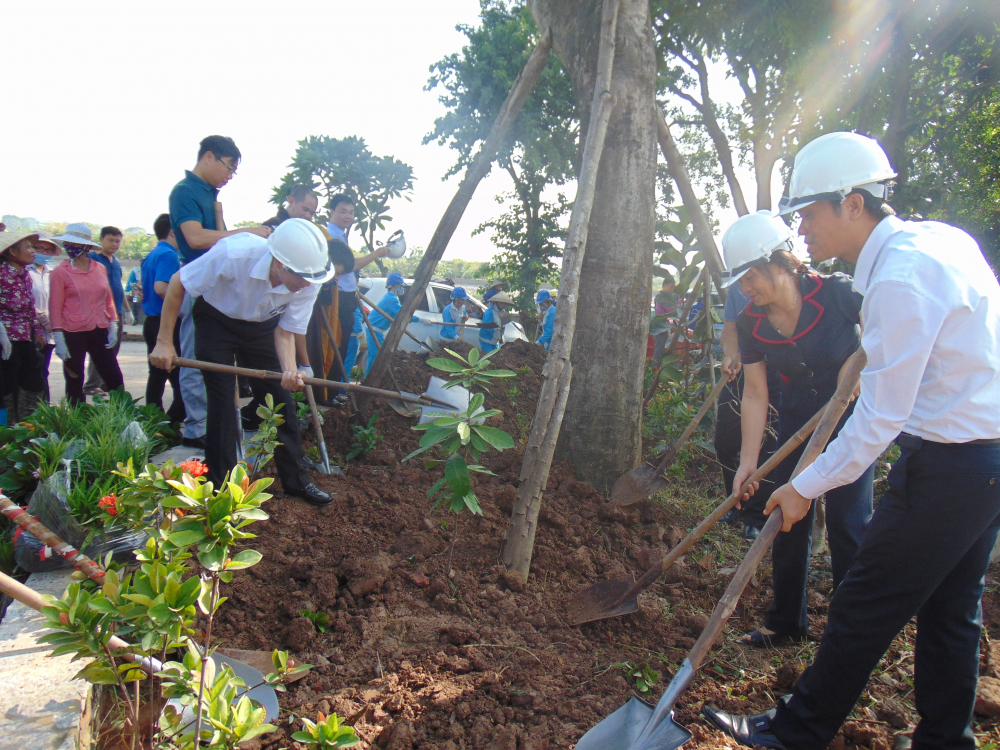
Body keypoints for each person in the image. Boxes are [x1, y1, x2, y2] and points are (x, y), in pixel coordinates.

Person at [702, 132, 1000, 750]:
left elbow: (880, 416)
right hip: (985, 456)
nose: (802, 229)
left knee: (864, 601)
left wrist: (802, 487)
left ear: (854, 203)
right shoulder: (938, 240)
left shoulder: (898, 276)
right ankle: (947, 740)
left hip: (950, 462)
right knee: (952, 610)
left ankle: (795, 734)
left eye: (808, 214)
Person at [721, 210, 874, 649]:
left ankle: (850, 634)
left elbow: (885, 337)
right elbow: (754, 393)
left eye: (750, 277)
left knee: (849, 521)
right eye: (741, 283)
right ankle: (786, 622)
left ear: (781, 262)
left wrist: (865, 368)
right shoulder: (752, 322)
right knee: (784, 513)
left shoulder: (840, 295)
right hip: (797, 421)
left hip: (851, 420)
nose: (746, 290)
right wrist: (748, 464)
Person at [148, 219, 336, 507]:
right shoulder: (234, 255)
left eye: (312, 278)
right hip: (216, 320)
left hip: (262, 326)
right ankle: (222, 490)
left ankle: (297, 480)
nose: (307, 285)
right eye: (301, 277)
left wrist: (288, 370)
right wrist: (164, 341)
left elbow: (285, 331)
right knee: (222, 403)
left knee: (280, 400)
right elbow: (178, 284)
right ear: (278, 263)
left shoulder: (308, 282)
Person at [168, 135, 271, 449]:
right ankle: (196, 426)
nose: (229, 176)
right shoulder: (185, 192)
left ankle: (216, 422)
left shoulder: (210, 194)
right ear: (209, 156)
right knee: (195, 356)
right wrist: (249, 232)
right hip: (196, 279)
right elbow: (197, 238)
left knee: (216, 361)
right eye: (229, 168)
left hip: (215, 284)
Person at [715, 281, 779, 539]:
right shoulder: (737, 289)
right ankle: (735, 503)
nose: (748, 284)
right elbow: (730, 329)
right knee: (725, 442)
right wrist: (731, 354)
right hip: (742, 371)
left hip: (776, 374)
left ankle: (756, 515)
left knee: (768, 445)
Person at [48, 224, 123, 405]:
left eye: (75, 243)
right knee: (74, 378)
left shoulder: (99, 268)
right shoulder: (60, 272)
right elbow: (55, 306)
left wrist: (113, 323)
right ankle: (77, 418)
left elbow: (108, 298)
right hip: (72, 331)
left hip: (99, 328)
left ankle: (122, 413)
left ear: (87, 246)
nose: (70, 246)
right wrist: (58, 337)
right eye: (68, 243)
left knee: (113, 375)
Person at [324, 194, 390, 391]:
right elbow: (351, 265)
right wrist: (376, 253)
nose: (348, 216)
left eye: (351, 212)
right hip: (339, 297)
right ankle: (331, 390)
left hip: (347, 296)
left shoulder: (340, 234)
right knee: (338, 345)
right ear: (331, 212)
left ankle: (334, 389)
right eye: (342, 211)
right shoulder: (332, 236)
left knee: (343, 346)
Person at [140, 214, 184, 422]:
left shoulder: (153, 254)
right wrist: (183, 305)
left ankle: (155, 420)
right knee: (179, 377)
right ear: (173, 231)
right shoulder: (169, 255)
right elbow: (161, 287)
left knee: (157, 376)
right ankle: (171, 421)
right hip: (165, 322)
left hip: (152, 321)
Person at [0, 232, 47, 422]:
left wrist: (36, 332)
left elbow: (29, 306)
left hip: (25, 338)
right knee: (8, 386)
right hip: (6, 340)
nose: (33, 252)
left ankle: (29, 427)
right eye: (28, 247)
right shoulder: (2, 275)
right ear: (12, 251)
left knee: (33, 382)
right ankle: (8, 430)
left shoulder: (25, 274)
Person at [82, 226, 129, 396]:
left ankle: (104, 382)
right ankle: (91, 384)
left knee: (113, 349)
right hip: (101, 312)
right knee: (101, 349)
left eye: (117, 241)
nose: (114, 244)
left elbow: (118, 287)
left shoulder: (115, 262)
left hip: (118, 312)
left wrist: (127, 309)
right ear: (101, 239)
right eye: (110, 240)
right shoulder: (93, 259)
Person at [27, 232, 62, 402]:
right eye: (40, 248)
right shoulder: (25, 271)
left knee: (43, 370)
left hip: (49, 332)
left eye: (48, 250)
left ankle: (43, 408)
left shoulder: (53, 273)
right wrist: (41, 318)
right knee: (29, 371)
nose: (44, 252)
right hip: (29, 330)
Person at [363, 273, 419, 375]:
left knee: (373, 355)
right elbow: (402, 315)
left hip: (374, 328)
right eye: (400, 286)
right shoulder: (391, 299)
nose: (402, 288)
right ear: (392, 286)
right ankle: (370, 381)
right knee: (377, 356)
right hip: (374, 330)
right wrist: (419, 320)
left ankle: (367, 379)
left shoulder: (392, 297)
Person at [652, 274, 679, 361]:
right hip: (661, 327)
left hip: (663, 326)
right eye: (671, 287)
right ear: (664, 286)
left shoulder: (662, 297)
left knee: (662, 351)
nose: (672, 289)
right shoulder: (662, 297)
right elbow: (672, 310)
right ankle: (655, 372)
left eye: (673, 287)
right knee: (659, 352)